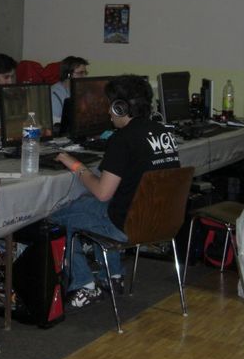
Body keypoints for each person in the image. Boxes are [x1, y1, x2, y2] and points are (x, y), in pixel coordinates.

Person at [51, 75, 180, 308]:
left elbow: (103, 193)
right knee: (87, 205)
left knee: (57, 217)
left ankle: (84, 285)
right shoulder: (163, 132)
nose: (108, 112)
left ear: (120, 107)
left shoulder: (123, 138)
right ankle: (112, 276)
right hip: (159, 221)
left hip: (127, 225)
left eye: (110, 105)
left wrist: (75, 165)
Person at [51, 56, 89, 126]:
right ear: (68, 75)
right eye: (80, 73)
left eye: (85, 73)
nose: (84, 76)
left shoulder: (80, 89)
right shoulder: (54, 93)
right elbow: (56, 123)